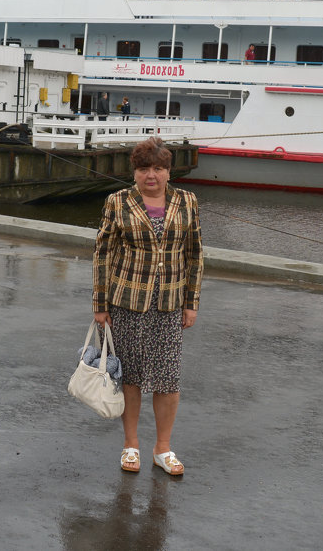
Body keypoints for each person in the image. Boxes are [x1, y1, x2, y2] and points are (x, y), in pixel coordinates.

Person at [93, 137, 203, 476]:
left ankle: (163, 448)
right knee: (132, 378)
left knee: (168, 380)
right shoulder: (118, 202)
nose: (150, 175)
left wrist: (191, 302)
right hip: (126, 302)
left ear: (169, 172)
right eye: (143, 169)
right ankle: (131, 445)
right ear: (135, 173)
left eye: (157, 168)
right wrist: (100, 304)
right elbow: (103, 254)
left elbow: (195, 254)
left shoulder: (187, 201)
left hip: (169, 303)